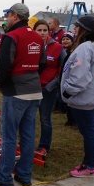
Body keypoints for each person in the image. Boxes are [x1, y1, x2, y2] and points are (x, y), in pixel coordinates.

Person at [0, 3, 43, 186]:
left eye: (8, 15)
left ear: (15, 16)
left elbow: (5, 65)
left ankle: (4, 178)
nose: (7, 18)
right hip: (34, 89)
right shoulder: (37, 37)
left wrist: (0, 82)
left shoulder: (11, 36)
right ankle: (24, 174)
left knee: (9, 137)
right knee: (28, 134)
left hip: (16, 91)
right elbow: (41, 62)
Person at [61, 15, 94, 178]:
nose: (74, 29)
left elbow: (80, 76)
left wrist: (68, 91)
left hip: (83, 98)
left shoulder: (85, 48)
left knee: (88, 131)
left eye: (77, 26)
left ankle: (90, 166)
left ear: (84, 29)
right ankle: (90, 162)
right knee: (92, 130)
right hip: (90, 97)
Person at [33, 20, 65, 156]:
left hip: (48, 89)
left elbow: (64, 70)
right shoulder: (31, 46)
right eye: (39, 30)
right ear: (34, 31)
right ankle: (25, 143)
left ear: (49, 31)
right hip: (31, 88)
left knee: (45, 118)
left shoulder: (58, 47)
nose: (42, 33)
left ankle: (44, 146)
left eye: (45, 30)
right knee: (28, 118)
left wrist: (51, 86)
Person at [59, 33, 75, 126]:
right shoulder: (65, 51)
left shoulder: (73, 52)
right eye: (63, 39)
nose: (65, 41)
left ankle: (73, 120)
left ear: (72, 41)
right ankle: (70, 120)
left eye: (67, 39)